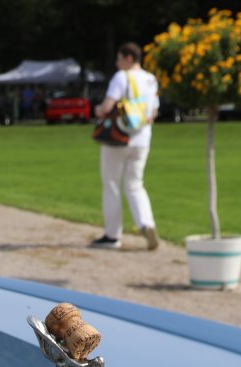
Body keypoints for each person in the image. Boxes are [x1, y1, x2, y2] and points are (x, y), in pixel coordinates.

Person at [92, 42, 159, 251]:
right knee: (135, 184)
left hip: (119, 138)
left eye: (119, 59)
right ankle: (146, 223)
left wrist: (98, 110)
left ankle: (112, 235)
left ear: (129, 58)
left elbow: (108, 106)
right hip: (142, 139)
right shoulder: (151, 79)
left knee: (111, 184)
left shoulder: (122, 77)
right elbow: (153, 112)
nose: (117, 63)